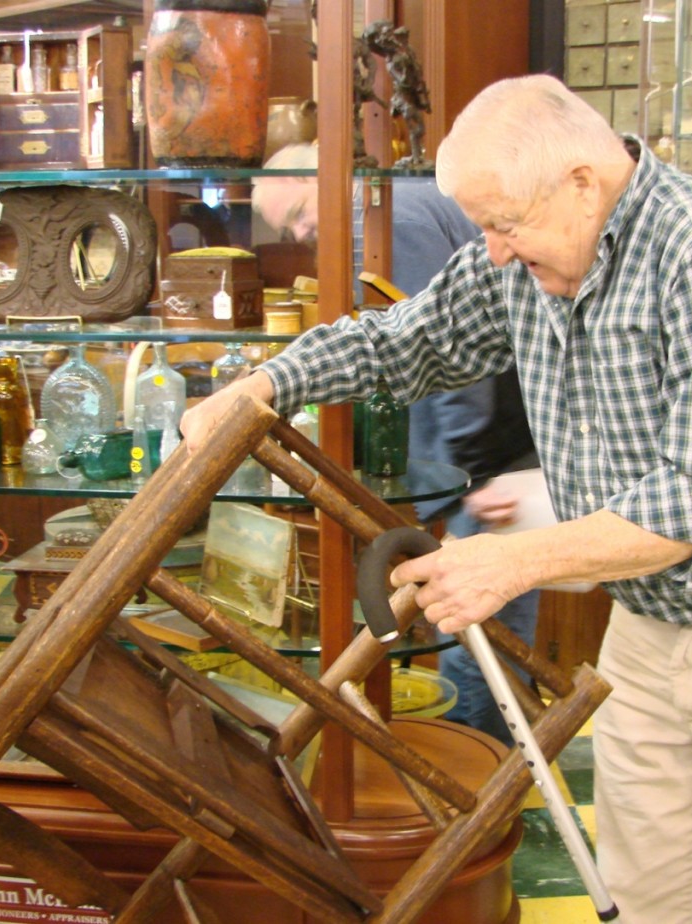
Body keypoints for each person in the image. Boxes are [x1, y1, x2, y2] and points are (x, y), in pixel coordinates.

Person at [184, 75, 692, 923]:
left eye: (502, 223)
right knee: (648, 895)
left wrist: (510, 560)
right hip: (650, 625)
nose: (490, 249)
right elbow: (402, 341)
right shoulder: (533, 252)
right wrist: (267, 381)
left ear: (581, 182)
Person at [251, 142, 542, 747]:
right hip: (501, 454)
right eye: (292, 228)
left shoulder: (385, 223)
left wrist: (451, 489)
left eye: (302, 212)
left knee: (479, 641)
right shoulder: (394, 206)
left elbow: (445, 363)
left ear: (326, 178)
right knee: (483, 635)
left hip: (494, 463)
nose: (305, 233)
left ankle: (484, 788)